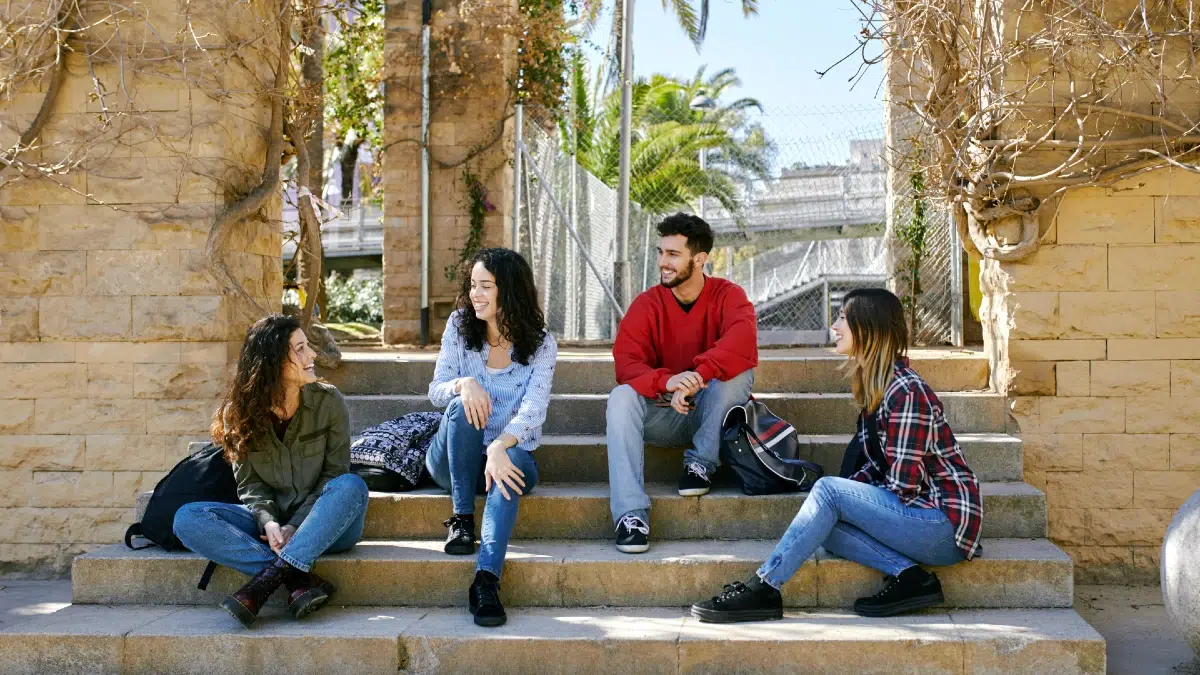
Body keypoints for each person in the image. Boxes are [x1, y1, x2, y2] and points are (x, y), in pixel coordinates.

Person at [690, 288, 984, 623]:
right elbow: (876, 468)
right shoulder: (881, 386)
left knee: (829, 493)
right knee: (823, 521)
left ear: (868, 327)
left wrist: (839, 495)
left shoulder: (905, 391)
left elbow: (903, 486)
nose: (834, 326)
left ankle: (764, 587)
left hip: (944, 526)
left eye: (843, 317)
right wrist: (836, 500)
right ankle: (912, 578)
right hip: (924, 521)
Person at [173, 314, 369, 628]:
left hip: (327, 524)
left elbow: (333, 475)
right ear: (273, 361)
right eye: (300, 349)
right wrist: (269, 521)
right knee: (187, 518)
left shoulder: (328, 401)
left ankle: (263, 584)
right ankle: (295, 579)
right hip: (270, 531)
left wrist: (294, 525)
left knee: (350, 486)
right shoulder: (238, 413)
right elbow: (250, 485)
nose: (312, 355)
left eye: (308, 347)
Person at [606, 212, 758, 554]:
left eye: (673, 254)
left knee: (738, 370)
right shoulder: (647, 304)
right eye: (661, 252)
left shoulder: (729, 296)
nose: (663, 262)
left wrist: (696, 378)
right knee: (620, 397)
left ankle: (701, 463)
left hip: (713, 411)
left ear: (699, 259)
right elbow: (626, 363)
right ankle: (630, 516)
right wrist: (668, 382)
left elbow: (742, 342)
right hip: (664, 414)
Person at [427, 247, 557, 628]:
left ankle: (486, 581)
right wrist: (463, 384)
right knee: (461, 408)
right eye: (472, 285)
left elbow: (534, 411)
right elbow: (436, 390)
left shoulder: (541, 343)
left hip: (510, 456)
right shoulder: (459, 326)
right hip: (454, 460)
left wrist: (500, 445)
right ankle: (462, 518)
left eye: (485, 286)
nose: (475, 294)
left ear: (509, 290)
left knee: (510, 465)